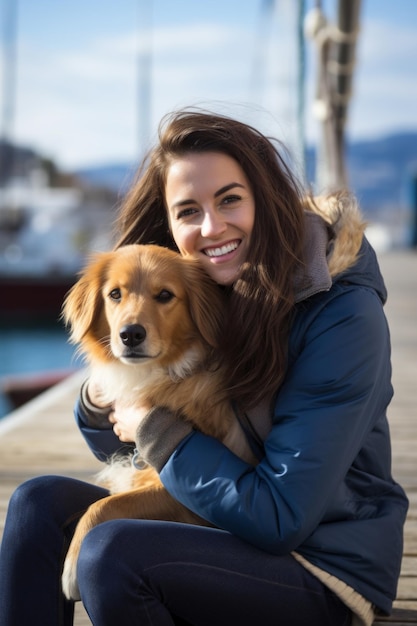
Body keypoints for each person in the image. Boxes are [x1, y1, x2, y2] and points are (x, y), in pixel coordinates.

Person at [0, 109, 408, 626]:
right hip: (225, 523)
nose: (211, 226)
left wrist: (155, 427)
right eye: (188, 210)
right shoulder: (202, 284)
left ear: (267, 196)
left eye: (230, 199)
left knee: (112, 551)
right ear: (170, 222)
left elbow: (280, 517)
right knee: (37, 504)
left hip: (320, 563)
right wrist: (102, 401)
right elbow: (139, 453)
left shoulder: (341, 315)